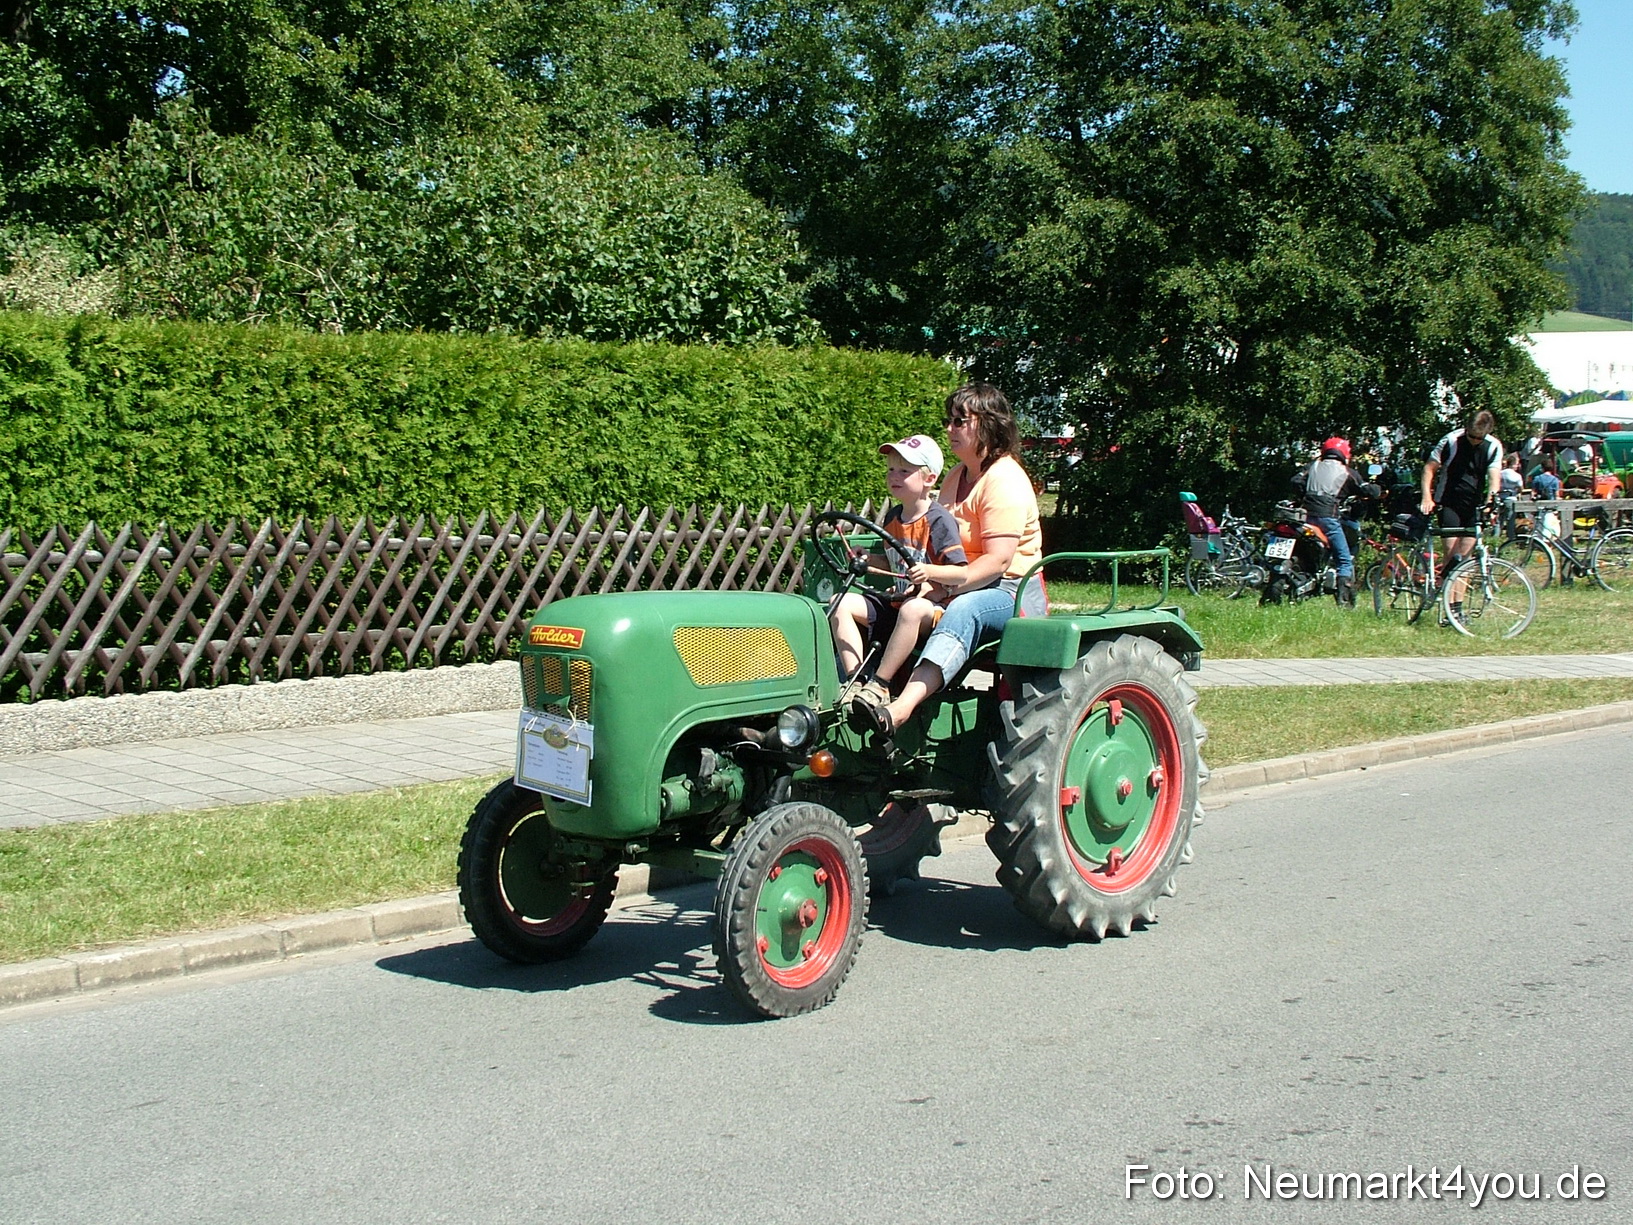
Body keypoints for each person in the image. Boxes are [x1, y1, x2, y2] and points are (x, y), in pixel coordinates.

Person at [850, 383, 1043, 739]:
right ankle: (858, 686)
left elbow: (998, 562)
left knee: (964, 610)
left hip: (1010, 591)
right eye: (949, 420)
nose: (949, 429)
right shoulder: (956, 475)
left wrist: (941, 588)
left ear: (988, 424)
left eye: (959, 421)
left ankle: (900, 708)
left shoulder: (1005, 481)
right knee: (889, 605)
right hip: (955, 580)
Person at [829, 434, 968, 701]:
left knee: (912, 609)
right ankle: (855, 679)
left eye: (904, 471)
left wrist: (930, 572)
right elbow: (895, 564)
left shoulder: (939, 521)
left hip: (933, 609)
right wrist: (869, 558)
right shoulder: (893, 517)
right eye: (891, 469)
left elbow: (961, 573)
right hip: (899, 602)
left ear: (929, 479)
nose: (894, 476)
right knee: (840, 602)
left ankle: (879, 685)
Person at [1419, 410, 1503, 591]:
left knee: (1465, 559)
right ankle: (1445, 602)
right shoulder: (1450, 441)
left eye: (1479, 438)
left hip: (1473, 504)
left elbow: (1494, 479)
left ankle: (1456, 609)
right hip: (1449, 501)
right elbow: (1429, 468)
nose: (1474, 441)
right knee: (1452, 556)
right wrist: (1427, 497)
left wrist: (1491, 505)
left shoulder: (1493, 446)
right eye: (1471, 436)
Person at [1291, 437, 1374, 607]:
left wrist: (1303, 496)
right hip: (1328, 518)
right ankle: (1344, 601)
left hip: (1305, 517)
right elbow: (1367, 489)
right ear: (1345, 454)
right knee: (1344, 560)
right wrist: (1378, 489)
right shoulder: (1346, 472)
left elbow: (1296, 481)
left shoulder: (1312, 466)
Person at [1530, 455, 1562, 539]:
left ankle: (1539, 541)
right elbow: (1557, 495)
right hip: (1551, 505)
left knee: (1539, 525)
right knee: (1549, 524)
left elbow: (1533, 493)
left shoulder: (1537, 478)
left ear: (1542, 468)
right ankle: (1548, 541)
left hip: (1540, 505)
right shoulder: (1555, 480)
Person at [1497, 453, 1523, 541]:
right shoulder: (1517, 476)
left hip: (1500, 498)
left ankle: (1495, 539)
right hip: (1511, 498)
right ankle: (1511, 540)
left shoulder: (1500, 473)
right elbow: (1520, 488)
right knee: (1510, 521)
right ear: (1513, 464)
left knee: (1498, 521)